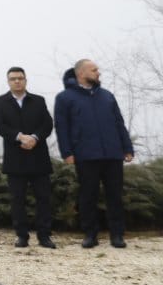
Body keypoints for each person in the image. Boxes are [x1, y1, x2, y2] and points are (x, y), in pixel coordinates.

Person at [54, 59, 134, 249]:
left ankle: (117, 235)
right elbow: (62, 127)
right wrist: (67, 152)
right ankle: (90, 235)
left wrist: (127, 147)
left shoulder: (107, 96)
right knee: (88, 196)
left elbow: (119, 123)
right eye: (94, 69)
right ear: (81, 73)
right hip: (85, 155)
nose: (98, 73)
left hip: (113, 154)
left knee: (115, 196)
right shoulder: (65, 98)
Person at [0, 67, 57, 248]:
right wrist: (20, 136)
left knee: (43, 198)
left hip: (38, 156)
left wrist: (34, 137)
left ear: (26, 80)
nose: (17, 81)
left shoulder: (38, 100)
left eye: (20, 78)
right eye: (13, 79)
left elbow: (47, 124)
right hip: (15, 158)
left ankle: (45, 236)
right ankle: (22, 236)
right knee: (17, 199)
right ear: (8, 82)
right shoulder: (0, 102)